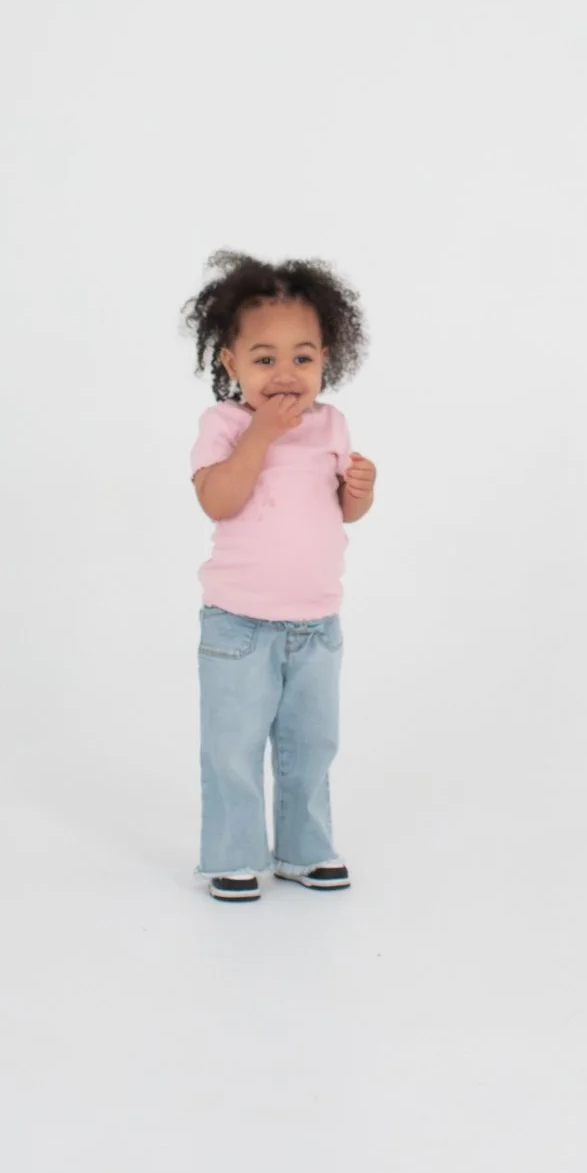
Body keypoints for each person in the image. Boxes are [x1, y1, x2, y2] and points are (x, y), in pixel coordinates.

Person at [179, 250, 377, 902]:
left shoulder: (331, 425)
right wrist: (260, 434)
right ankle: (233, 854)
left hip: (317, 624)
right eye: (265, 359)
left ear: (327, 358)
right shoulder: (226, 425)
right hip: (239, 624)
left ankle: (303, 846)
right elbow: (219, 499)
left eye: (303, 357)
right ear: (230, 363)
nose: (286, 375)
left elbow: (343, 512)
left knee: (311, 744)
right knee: (234, 749)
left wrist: (360, 490)